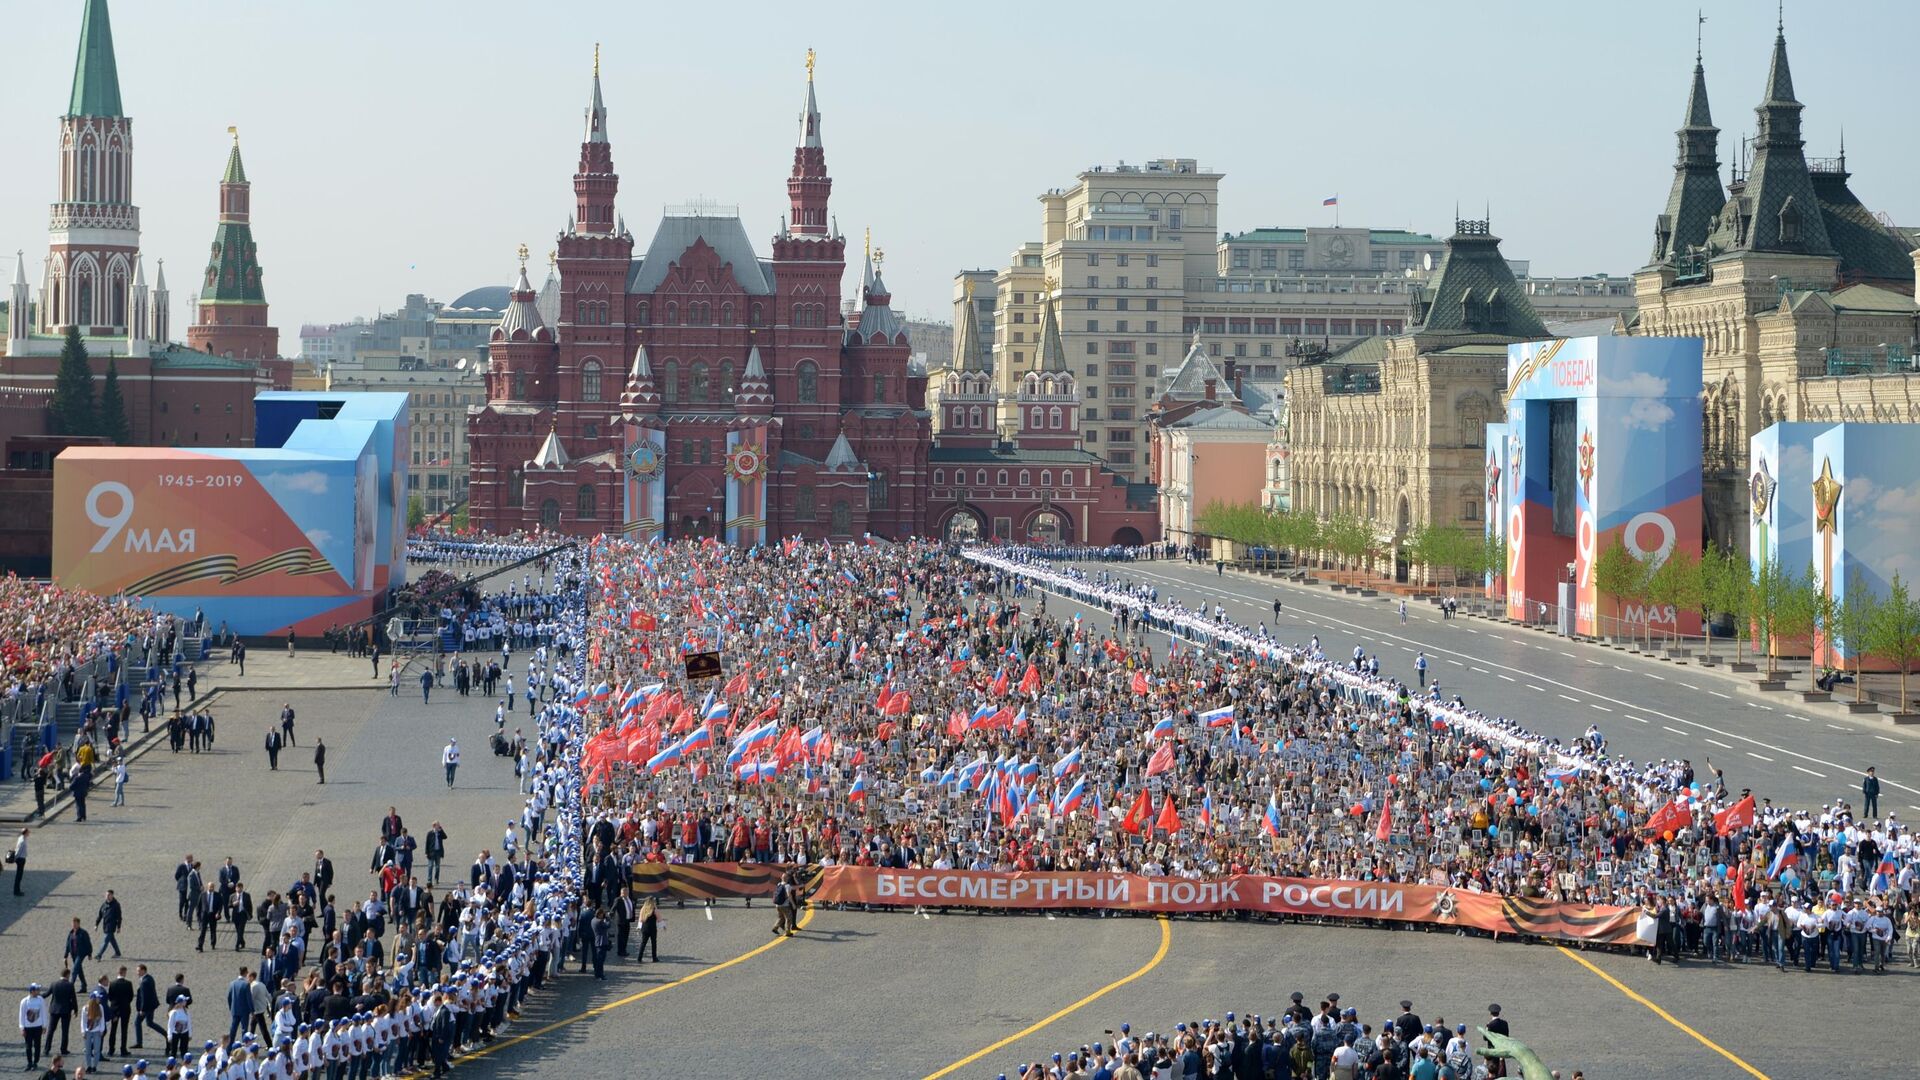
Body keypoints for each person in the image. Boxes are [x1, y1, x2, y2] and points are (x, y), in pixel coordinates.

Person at [19, 982, 48, 1071]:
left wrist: (44, 1026)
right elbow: (21, 1015)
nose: (39, 991)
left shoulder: (41, 1000)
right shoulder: (24, 1001)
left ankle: (35, 1062)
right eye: (37, 990)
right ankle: (29, 1063)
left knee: (37, 1045)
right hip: (28, 1028)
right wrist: (22, 1028)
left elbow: (44, 1013)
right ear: (32, 991)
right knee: (28, 1046)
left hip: (38, 1027)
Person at [65, 919, 95, 989]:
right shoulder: (71, 933)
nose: (74, 925)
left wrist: (89, 954)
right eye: (72, 924)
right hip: (73, 954)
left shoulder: (83, 933)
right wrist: (65, 955)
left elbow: (88, 944)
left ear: (79, 924)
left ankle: (70, 986)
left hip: (81, 954)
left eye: (75, 924)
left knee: (75, 969)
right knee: (79, 970)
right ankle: (84, 986)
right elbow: (68, 944)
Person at [94, 891, 124, 960]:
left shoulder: (116, 905)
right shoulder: (104, 904)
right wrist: (96, 924)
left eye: (109, 895)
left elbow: (119, 917)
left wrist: (119, 927)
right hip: (105, 925)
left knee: (105, 940)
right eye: (106, 895)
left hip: (111, 926)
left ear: (112, 895)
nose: (107, 896)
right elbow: (100, 915)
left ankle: (99, 955)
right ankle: (118, 953)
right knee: (112, 940)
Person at [8, 827, 25, 895]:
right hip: (20, 859)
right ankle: (16, 891)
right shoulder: (22, 840)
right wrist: (15, 858)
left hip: (21, 858)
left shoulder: (21, 839)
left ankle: (17, 890)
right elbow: (18, 850)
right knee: (19, 875)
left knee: (19, 875)